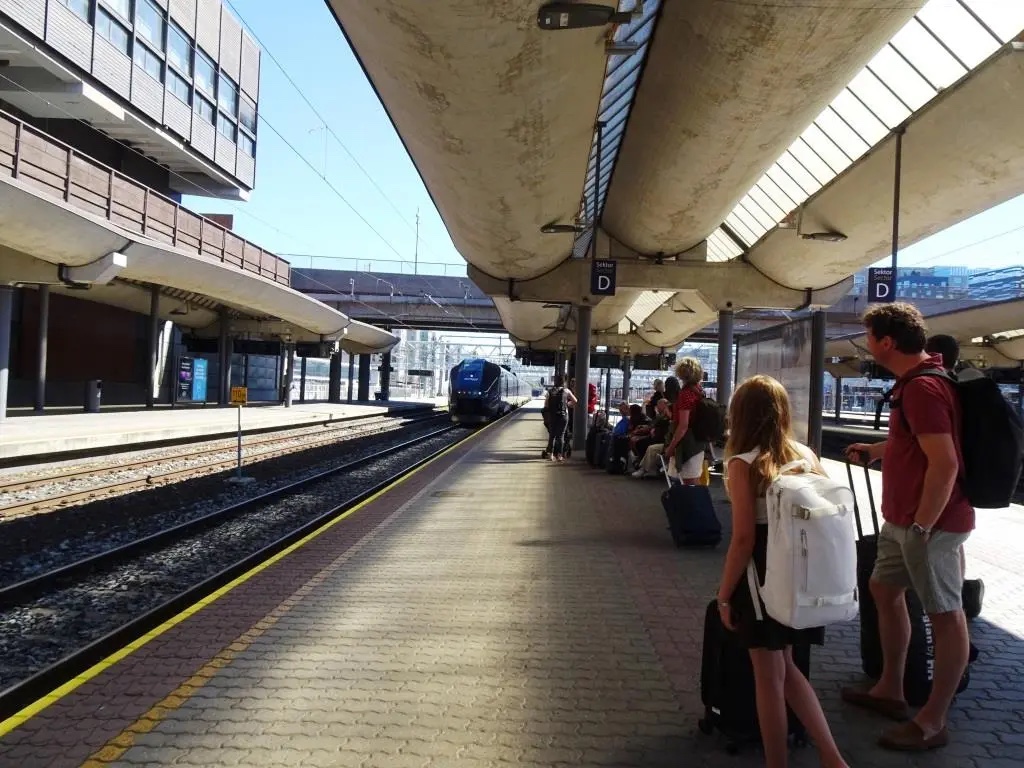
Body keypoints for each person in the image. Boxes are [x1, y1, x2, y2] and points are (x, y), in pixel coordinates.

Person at [842, 303, 972, 751]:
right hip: (902, 520)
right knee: (883, 589)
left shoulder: (923, 389)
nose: (867, 346)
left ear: (887, 342)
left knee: (945, 615)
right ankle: (890, 688)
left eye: (869, 338)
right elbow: (916, 442)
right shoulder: (913, 383)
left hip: (929, 526)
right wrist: (879, 450)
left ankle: (933, 721)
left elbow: (945, 463)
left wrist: (922, 526)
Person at [717, 375, 849, 768]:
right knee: (788, 669)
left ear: (740, 415)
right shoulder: (805, 456)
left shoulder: (743, 464)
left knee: (768, 679)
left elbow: (743, 539)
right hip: (800, 575)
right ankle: (833, 758)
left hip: (761, 577)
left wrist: (723, 595)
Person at [663, 357, 708, 484]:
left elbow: (683, 425)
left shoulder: (685, 394)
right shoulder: (699, 391)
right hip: (699, 442)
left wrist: (671, 447)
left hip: (687, 443)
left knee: (686, 482)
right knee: (694, 480)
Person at [545, 374, 577, 463]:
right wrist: (567, 404)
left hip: (553, 416)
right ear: (564, 382)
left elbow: (546, 405)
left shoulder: (549, 391)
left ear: (555, 382)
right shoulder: (566, 391)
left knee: (552, 435)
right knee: (560, 436)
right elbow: (575, 401)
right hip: (563, 416)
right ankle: (559, 456)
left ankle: (550, 455)